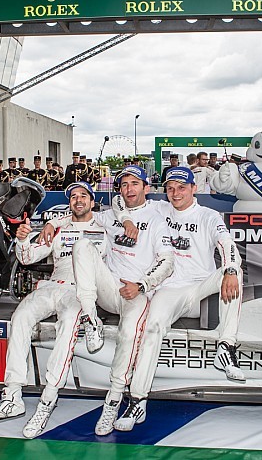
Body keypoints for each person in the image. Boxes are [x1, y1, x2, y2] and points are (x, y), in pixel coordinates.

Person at [109, 166, 244, 431]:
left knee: (234, 270)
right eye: (170, 188)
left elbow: (226, 241)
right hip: (169, 289)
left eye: (182, 187)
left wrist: (228, 269)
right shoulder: (159, 208)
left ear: (195, 189)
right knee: (151, 328)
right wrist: (126, 220)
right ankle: (137, 401)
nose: (175, 193)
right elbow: (117, 200)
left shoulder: (208, 214)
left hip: (201, 286)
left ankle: (225, 347)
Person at [43, 165, 174, 436]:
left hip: (135, 291)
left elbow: (168, 262)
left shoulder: (157, 217)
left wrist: (142, 284)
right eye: (124, 184)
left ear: (146, 187)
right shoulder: (110, 214)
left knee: (128, 335)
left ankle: (113, 401)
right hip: (108, 288)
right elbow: (76, 216)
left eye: (134, 183)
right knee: (81, 245)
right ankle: (91, 319)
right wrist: (51, 223)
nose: (129, 189)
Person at [0, 182, 108, 437]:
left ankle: (47, 401)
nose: (78, 200)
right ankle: (13, 396)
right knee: (20, 317)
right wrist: (21, 240)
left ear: (93, 202)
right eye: (73, 196)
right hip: (52, 285)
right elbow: (28, 258)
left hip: (80, 292)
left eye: (83, 196)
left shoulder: (106, 227)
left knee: (68, 326)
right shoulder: (59, 229)